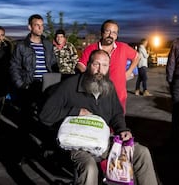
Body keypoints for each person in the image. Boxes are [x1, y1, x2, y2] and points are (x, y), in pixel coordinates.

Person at [39, 49, 158, 185]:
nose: (100, 70)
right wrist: (75, 111)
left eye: (105, 65)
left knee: (142, 153)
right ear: (88, 64)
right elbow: (45, 114)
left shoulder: (108, 86)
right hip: (77, 144)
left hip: (102, 141)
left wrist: (122, 129)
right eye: (96, 64)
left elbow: (116, 114)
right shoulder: (69, 85)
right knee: (89, 167)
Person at [9, 14, 58, 158]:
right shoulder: (21, 46)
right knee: (26, 120)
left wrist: (57, 82)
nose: (41, 28)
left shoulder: (48, 44)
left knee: (48, 118)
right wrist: (21, 85)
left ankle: (46, 149)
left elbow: (54, 64)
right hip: (29, 86)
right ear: (30, 27)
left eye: (42, 25)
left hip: (47, 86)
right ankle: (23, 152)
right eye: (37, 25)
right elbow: (14, 67)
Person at [76, 20, 139, 112]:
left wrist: (128, 72)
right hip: (97, 96)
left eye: (114, 32)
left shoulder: (123, 47)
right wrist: (89, 76)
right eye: (107, 31)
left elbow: (137, 57)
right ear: (102, 33)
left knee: (118, 124)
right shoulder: (91, 49)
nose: (110, 35)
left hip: (119, 95)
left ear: (117, 35)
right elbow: (80, 65)